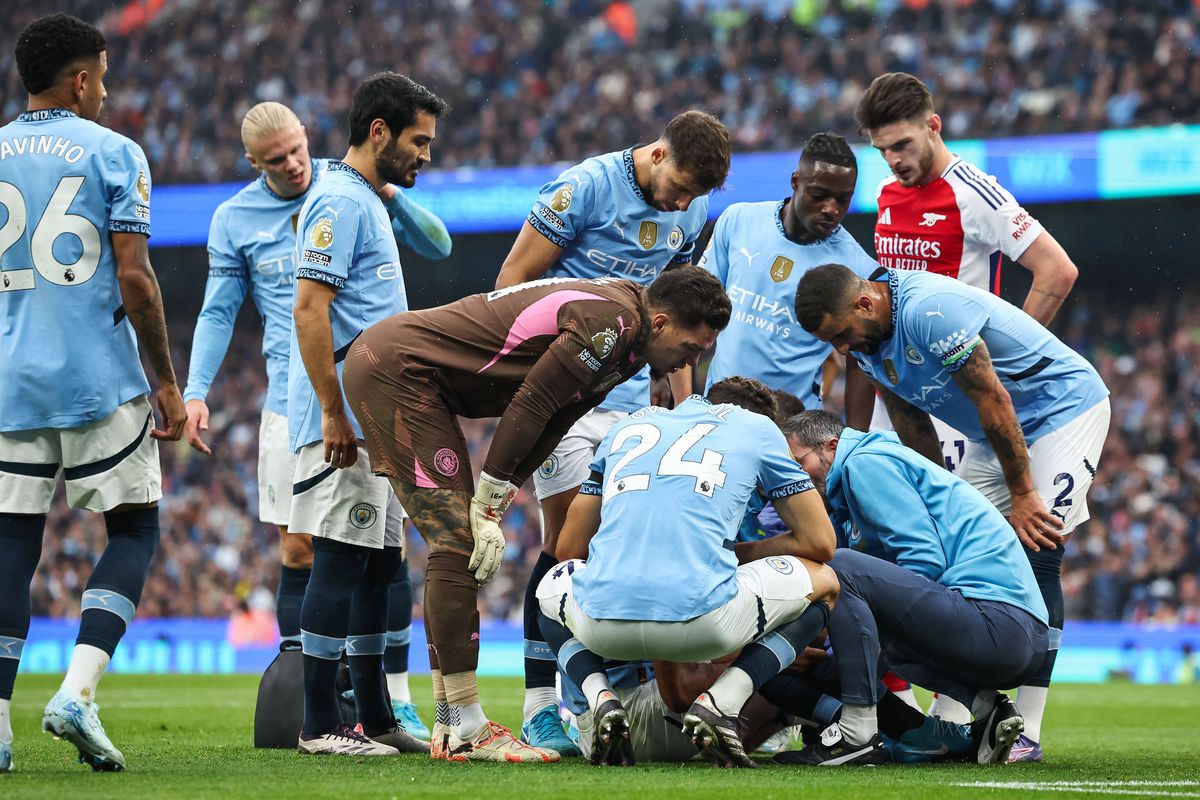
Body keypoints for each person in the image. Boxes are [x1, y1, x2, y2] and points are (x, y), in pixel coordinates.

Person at [342, 266, 731, 762]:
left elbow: (555, 420)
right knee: (458, 542)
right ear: (659, 324)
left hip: (410, 371)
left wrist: (498, 499)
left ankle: (450, 720)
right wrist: (486, 500)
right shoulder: (610, 326)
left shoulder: (630, 339)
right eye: (692, 348)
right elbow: (530, 404)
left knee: (458, 543)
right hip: (398, 370)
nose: (692, 362)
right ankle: (462, 725)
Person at [182, 100, 450, 738]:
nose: (294, 165)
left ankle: (380, 707)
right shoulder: (239, 218)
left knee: (379, 554)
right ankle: (316, 709)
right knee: (311, 549)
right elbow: (231, 312)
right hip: (304, 398)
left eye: (298, 149)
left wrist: (391, 193)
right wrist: (196, 389)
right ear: (254, 163)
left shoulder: (352, 189)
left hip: (362, 398)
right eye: (277, 160)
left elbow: (438, 244)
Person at [796, 263, 1111, 760]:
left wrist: (1024, 492)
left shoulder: (928, 311)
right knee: (950, 556)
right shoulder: (871, 347)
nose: (842, 349)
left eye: (840, 334)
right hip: (993, 430)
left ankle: (1026, 729)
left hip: (1061, 408)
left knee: (1040, 547)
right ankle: (957, 718)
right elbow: (913, 427)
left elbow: (992, 394)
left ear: (864, 303)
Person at [493, 110, 732, 754]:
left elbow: (680, 320)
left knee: (619, 550)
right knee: (566, 547)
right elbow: (511, 283)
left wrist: (687, 413)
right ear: (657, 153)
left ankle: (603, 699)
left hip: (632, 407)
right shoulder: (584, 189)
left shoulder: (687, 211)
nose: (684, 203)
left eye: (695, 197)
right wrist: (530, 390)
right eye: (680, 185)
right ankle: (541, 703)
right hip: (566, 398)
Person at [853, 71, 1083, 735]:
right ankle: (926, 711)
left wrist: (1001, 360)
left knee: (983, 559)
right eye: (881, 150)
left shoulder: (973, 192)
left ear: (934, 125)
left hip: (961, 408)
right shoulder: (891, 194)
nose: (893, 160)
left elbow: (1056, 270)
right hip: (907, 406)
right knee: (901, 558)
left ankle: (983, 713)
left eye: (900, 143)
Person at [0, 13, 185, 772]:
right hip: (98, 382)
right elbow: (136, 279)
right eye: (102, 77)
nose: (105, 91)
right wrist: (167, 384)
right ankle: (77, 691)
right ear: (80, 80)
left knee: (11, 545)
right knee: (135, 529)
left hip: (10, 382)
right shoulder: (115, 152)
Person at [533, 377, 839, 767]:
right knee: (826, 583)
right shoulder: (756, 429)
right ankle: (724, 703)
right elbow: (821, 544)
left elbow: (568, 550)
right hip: (667, 696)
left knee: (551, 583)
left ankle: (598, 697)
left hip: (603, 639)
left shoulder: (628, 426)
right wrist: (740, 555)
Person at [288, 72, 445, 757]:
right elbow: (309, 307)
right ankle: (320, 724)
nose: (426, 155)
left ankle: (377, 718)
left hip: (374, 418)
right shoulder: (340, 202)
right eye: (419, 140)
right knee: (340, 561)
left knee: (380, 568)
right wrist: (332, 412)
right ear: (377, 131)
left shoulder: (364, 199)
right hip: (345, 424)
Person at [780, 410, 1050, 766]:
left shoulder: (865, 463)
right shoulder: (857, 480)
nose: (797, 478)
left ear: (831, 447)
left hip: (997, 622)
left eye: (798, 463)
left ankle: (856, 733)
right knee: (880, 638)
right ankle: (988, 709)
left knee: (841, 566)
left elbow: (923, 560)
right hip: (1015, 635)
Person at [696, 132, 878, 411]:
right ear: (795, 181)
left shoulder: (858, 268)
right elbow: (695, 313)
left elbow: (861, 366)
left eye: (843, 200)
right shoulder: (738, 220)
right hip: (719, 410)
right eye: (820, 196)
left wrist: (853, 443)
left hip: (793, 427)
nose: (832, 209)